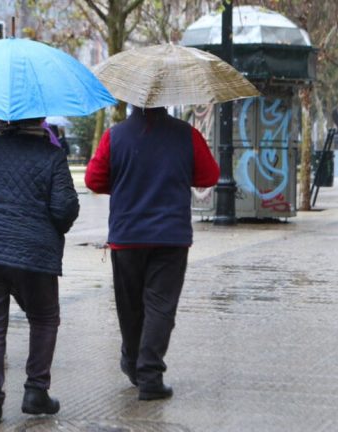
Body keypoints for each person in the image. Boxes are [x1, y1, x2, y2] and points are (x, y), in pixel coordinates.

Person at [0, 118, 80, 426]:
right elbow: (64, 208)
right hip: (33, 252)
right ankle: (36, 392)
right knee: (44, 317)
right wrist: (50, 228)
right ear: (39, 121)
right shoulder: (51, 154)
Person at [84, 106, 219, 401]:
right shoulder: (187, 135)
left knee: (129, 306)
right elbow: (210, 175)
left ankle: (133, 364)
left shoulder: (114, 135)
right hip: (171, 237)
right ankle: (150, 376)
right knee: (161, 306)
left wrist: (123, 183)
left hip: (127, 235)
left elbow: (94, 180)